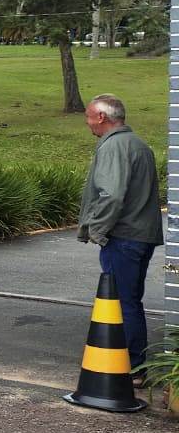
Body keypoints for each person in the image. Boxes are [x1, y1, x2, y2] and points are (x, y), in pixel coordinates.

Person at [78, 93, 162, 373]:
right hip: (141, 234)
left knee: (121, 302)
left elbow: (111, 194)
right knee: (130, 300)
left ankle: (130, 367)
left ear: (101, 117)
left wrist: (96, 229)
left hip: (124, 236)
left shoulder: (114, 146)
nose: (87, 122)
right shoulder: (138, 144)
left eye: (89, 116)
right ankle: (133, 365)